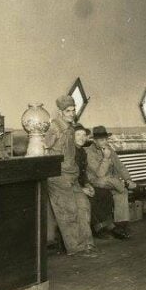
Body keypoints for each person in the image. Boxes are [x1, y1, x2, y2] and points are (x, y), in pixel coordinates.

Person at [43, 95, 96, 255]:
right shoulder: (54, 128)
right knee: (69, 212)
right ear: (60, 112)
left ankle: (87, 244)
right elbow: (43, 148)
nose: (72, 113)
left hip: (72, 175)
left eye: (73, 110)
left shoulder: (71, 129)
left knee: (83, 207)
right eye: (68, 111)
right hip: (59, 177)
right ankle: (76, 248)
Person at [86, 125, 136, 239]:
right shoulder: (89, 153)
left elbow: (120, 166)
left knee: (122, 193)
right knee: (111, 183)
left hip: (110, 182)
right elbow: (100, 174)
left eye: (106, 139)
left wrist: (128, 179)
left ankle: (121, 225)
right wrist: (106, 158)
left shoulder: (110, 149)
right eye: (101, 140)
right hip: (97, 182)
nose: (105, 142)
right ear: (95, 141)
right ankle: (122, 185)